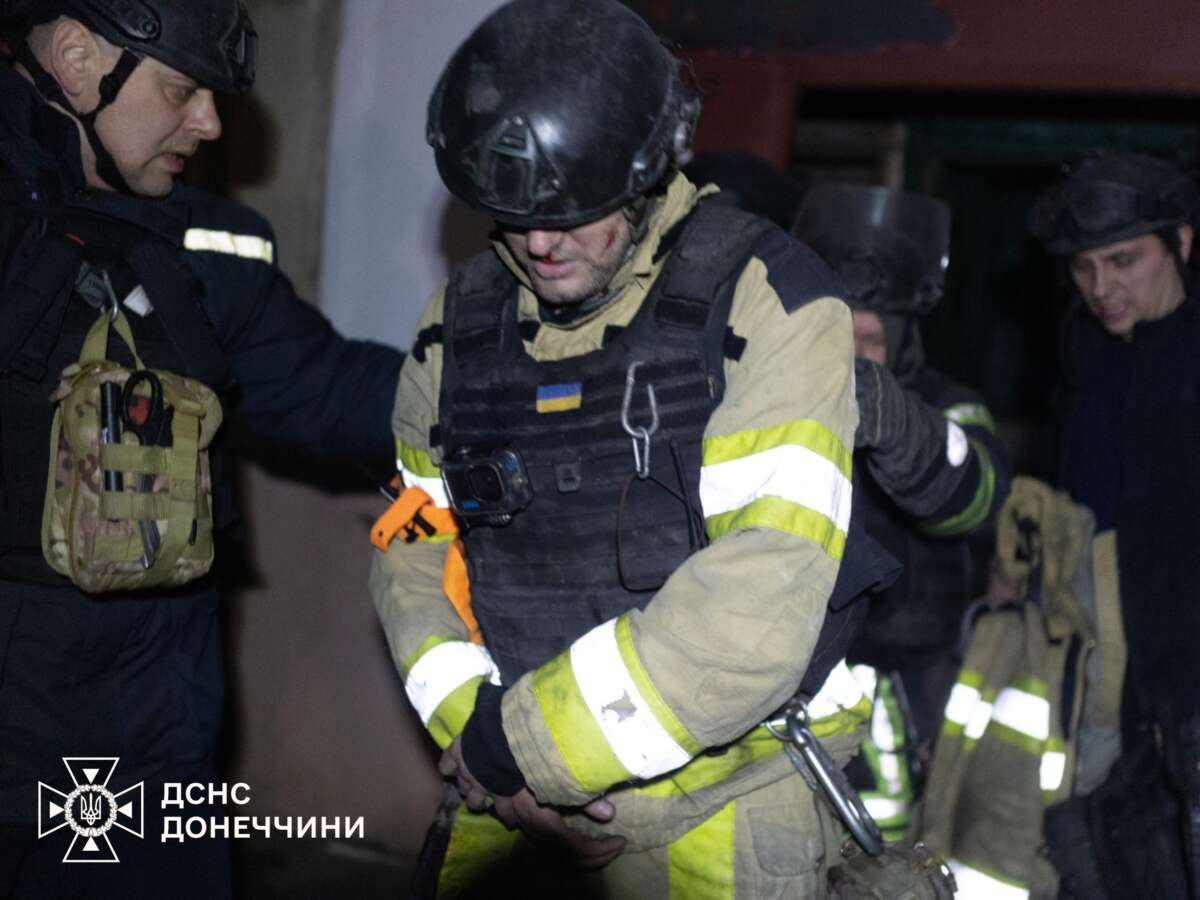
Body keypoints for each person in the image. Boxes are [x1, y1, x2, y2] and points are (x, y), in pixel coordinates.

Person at [367, 1, 911, 896]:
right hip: (501, 800)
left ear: (649, 170)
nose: (539, 242)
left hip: (720, 813)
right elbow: (414, 552)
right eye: (513, 213)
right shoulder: (454, 325)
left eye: (574, 210)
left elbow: (759, 598)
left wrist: (525, 748)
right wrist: (480, 736)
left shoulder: (769, 300)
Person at [0, 2, 403, 898]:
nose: (211, 123)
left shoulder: (198, 245)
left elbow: (328, 387)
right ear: (76, 59)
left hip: (156, 742)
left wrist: (502, 387)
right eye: (182, 89)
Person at [791, 184, 1011, 841]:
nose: (853, 357)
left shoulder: (948, 405)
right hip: (803, 681)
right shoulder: (780, 404)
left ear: (904, 339)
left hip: (914, 683)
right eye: (838, 336)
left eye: (870, 339)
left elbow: (978, 500)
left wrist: (898, 428)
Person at [1023, 151, 1200, 899]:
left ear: (1181, 243)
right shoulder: (1088, 357)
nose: (1102, 288)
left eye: (1124, 261)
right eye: (1085, 267)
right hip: (1099, 679)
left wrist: (1179, 699)